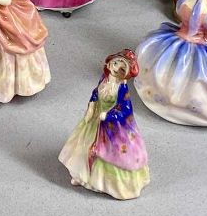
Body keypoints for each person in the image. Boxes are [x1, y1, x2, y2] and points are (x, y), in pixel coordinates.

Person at [58, 49, 150, 200]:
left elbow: (126, 109)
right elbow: (96, 93)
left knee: (107, 152)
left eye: (122, 69)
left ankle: (108, 183)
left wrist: (109, 115)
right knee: (84, 146)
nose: (116, 69)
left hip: (112, 127)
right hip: (95, 120)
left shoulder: (122, 88)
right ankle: (82, 176)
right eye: (116, 63)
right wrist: (91, 106)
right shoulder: (104, 80)